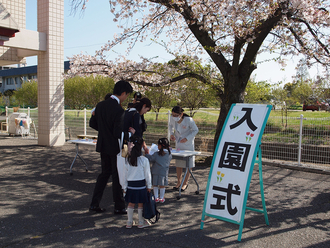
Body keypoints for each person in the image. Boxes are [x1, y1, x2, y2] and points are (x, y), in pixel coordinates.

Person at [89, 80, 134, 214]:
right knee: (117, 176)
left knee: (104, 174)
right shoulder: (118, 109)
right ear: (123, 93)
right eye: (127, 95)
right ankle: (119, 206)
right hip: (116, 147)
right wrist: (130, 134)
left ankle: (94, 203)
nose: (126, 98)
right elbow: (117, 133)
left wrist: (104, 131)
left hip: (103, 145)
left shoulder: (100, 105)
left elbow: (93, 124)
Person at [123, 135, 152, 229]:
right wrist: (149, 186)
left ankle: (129, 222)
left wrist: (124, 187)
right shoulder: (144, 160)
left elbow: (125, 175)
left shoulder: (127, 160)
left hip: (131, 185)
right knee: (140, 203)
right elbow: (148, 174)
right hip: (141, 185)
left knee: (130, 203)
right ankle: (140, 221)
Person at [169, 106, 199, 191]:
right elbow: (170, 126)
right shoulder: (172, 119)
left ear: (181, 114)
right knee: (179, 164)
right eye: (173, 115)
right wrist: (171, 134)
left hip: (188, 144)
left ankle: (185, 183)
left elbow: (195, 130)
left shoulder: (188, 120)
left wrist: (187, 138)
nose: (174, 117)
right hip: (179, 143)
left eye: (176, 115)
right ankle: (179, 182)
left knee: (188, 164)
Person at [145, 138, 172, 203]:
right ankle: (161, 197)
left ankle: (156, 197)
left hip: (155, 171)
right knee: (162, 185)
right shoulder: (169, 154)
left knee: (155, 184)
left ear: (161, 146)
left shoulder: (156, 154)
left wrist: (147, 154)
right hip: (164, 172)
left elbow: (151, 158)